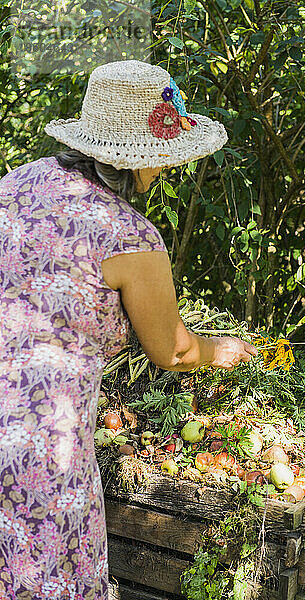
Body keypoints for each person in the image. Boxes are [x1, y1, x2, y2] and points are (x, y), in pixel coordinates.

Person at [0, 59, 258, 600]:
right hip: (42, 445)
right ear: (135, 161)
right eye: (161, 159)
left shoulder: (17, 183)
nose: (163, 169)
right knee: (48, 575)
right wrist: (223, 350)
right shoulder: (130, 239)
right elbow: (175, 350)